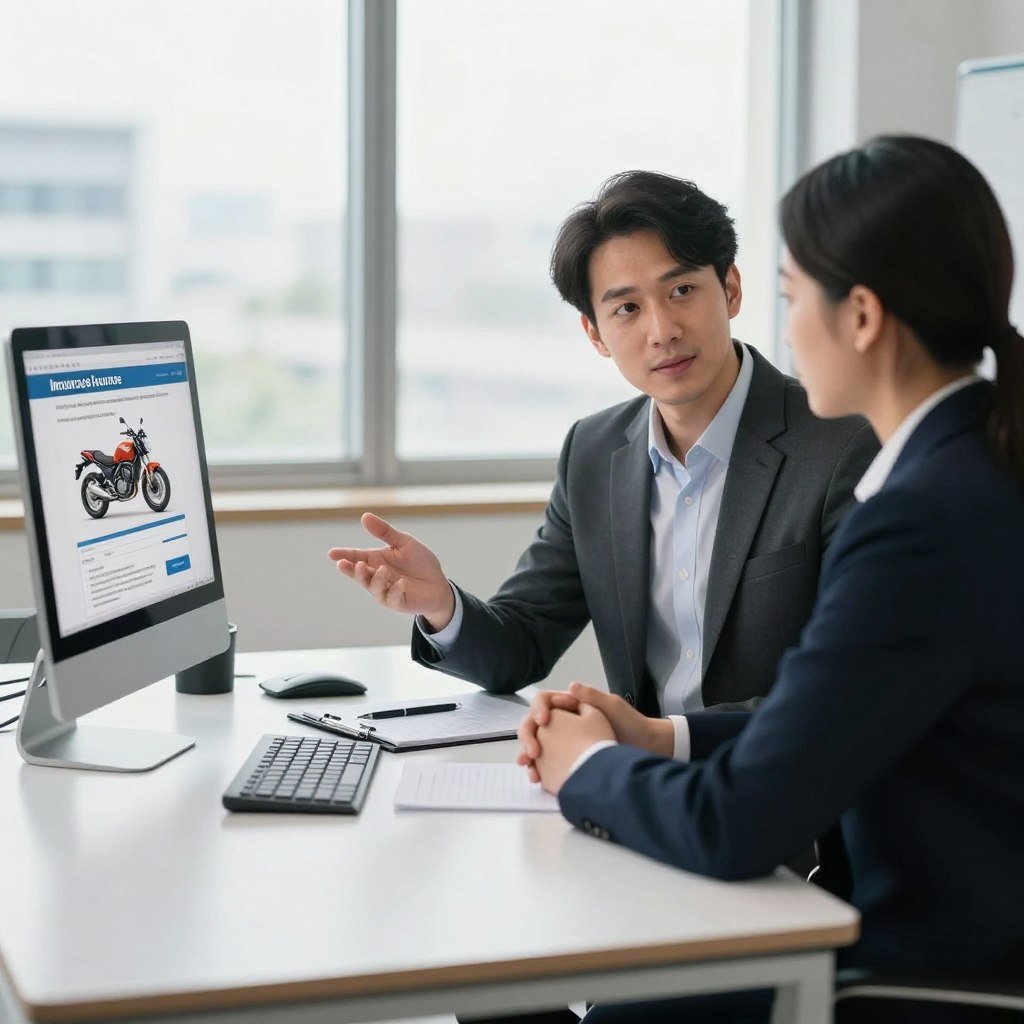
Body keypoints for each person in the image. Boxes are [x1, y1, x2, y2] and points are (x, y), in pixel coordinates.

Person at [520, 136, 1024, 1023]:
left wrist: (587, 766)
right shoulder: (971, 466)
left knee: (538, 986)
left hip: (911, 968)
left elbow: (736, 822)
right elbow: (841, 715)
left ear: (859, 316)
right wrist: (655, 737)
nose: (785, 328)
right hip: (925, 928)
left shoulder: (918, 521)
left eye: (792, 296)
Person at [328, 171, 876, 730]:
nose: (661, 330)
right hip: (641, 787)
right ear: (595, 333)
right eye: (627, 309)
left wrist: (656, 741)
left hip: (778, 787)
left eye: (681, 290)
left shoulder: (842, 444)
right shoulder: (593, 452)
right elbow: (524, 641)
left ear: (731, 288)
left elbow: (845, 685)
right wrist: (442, 606)